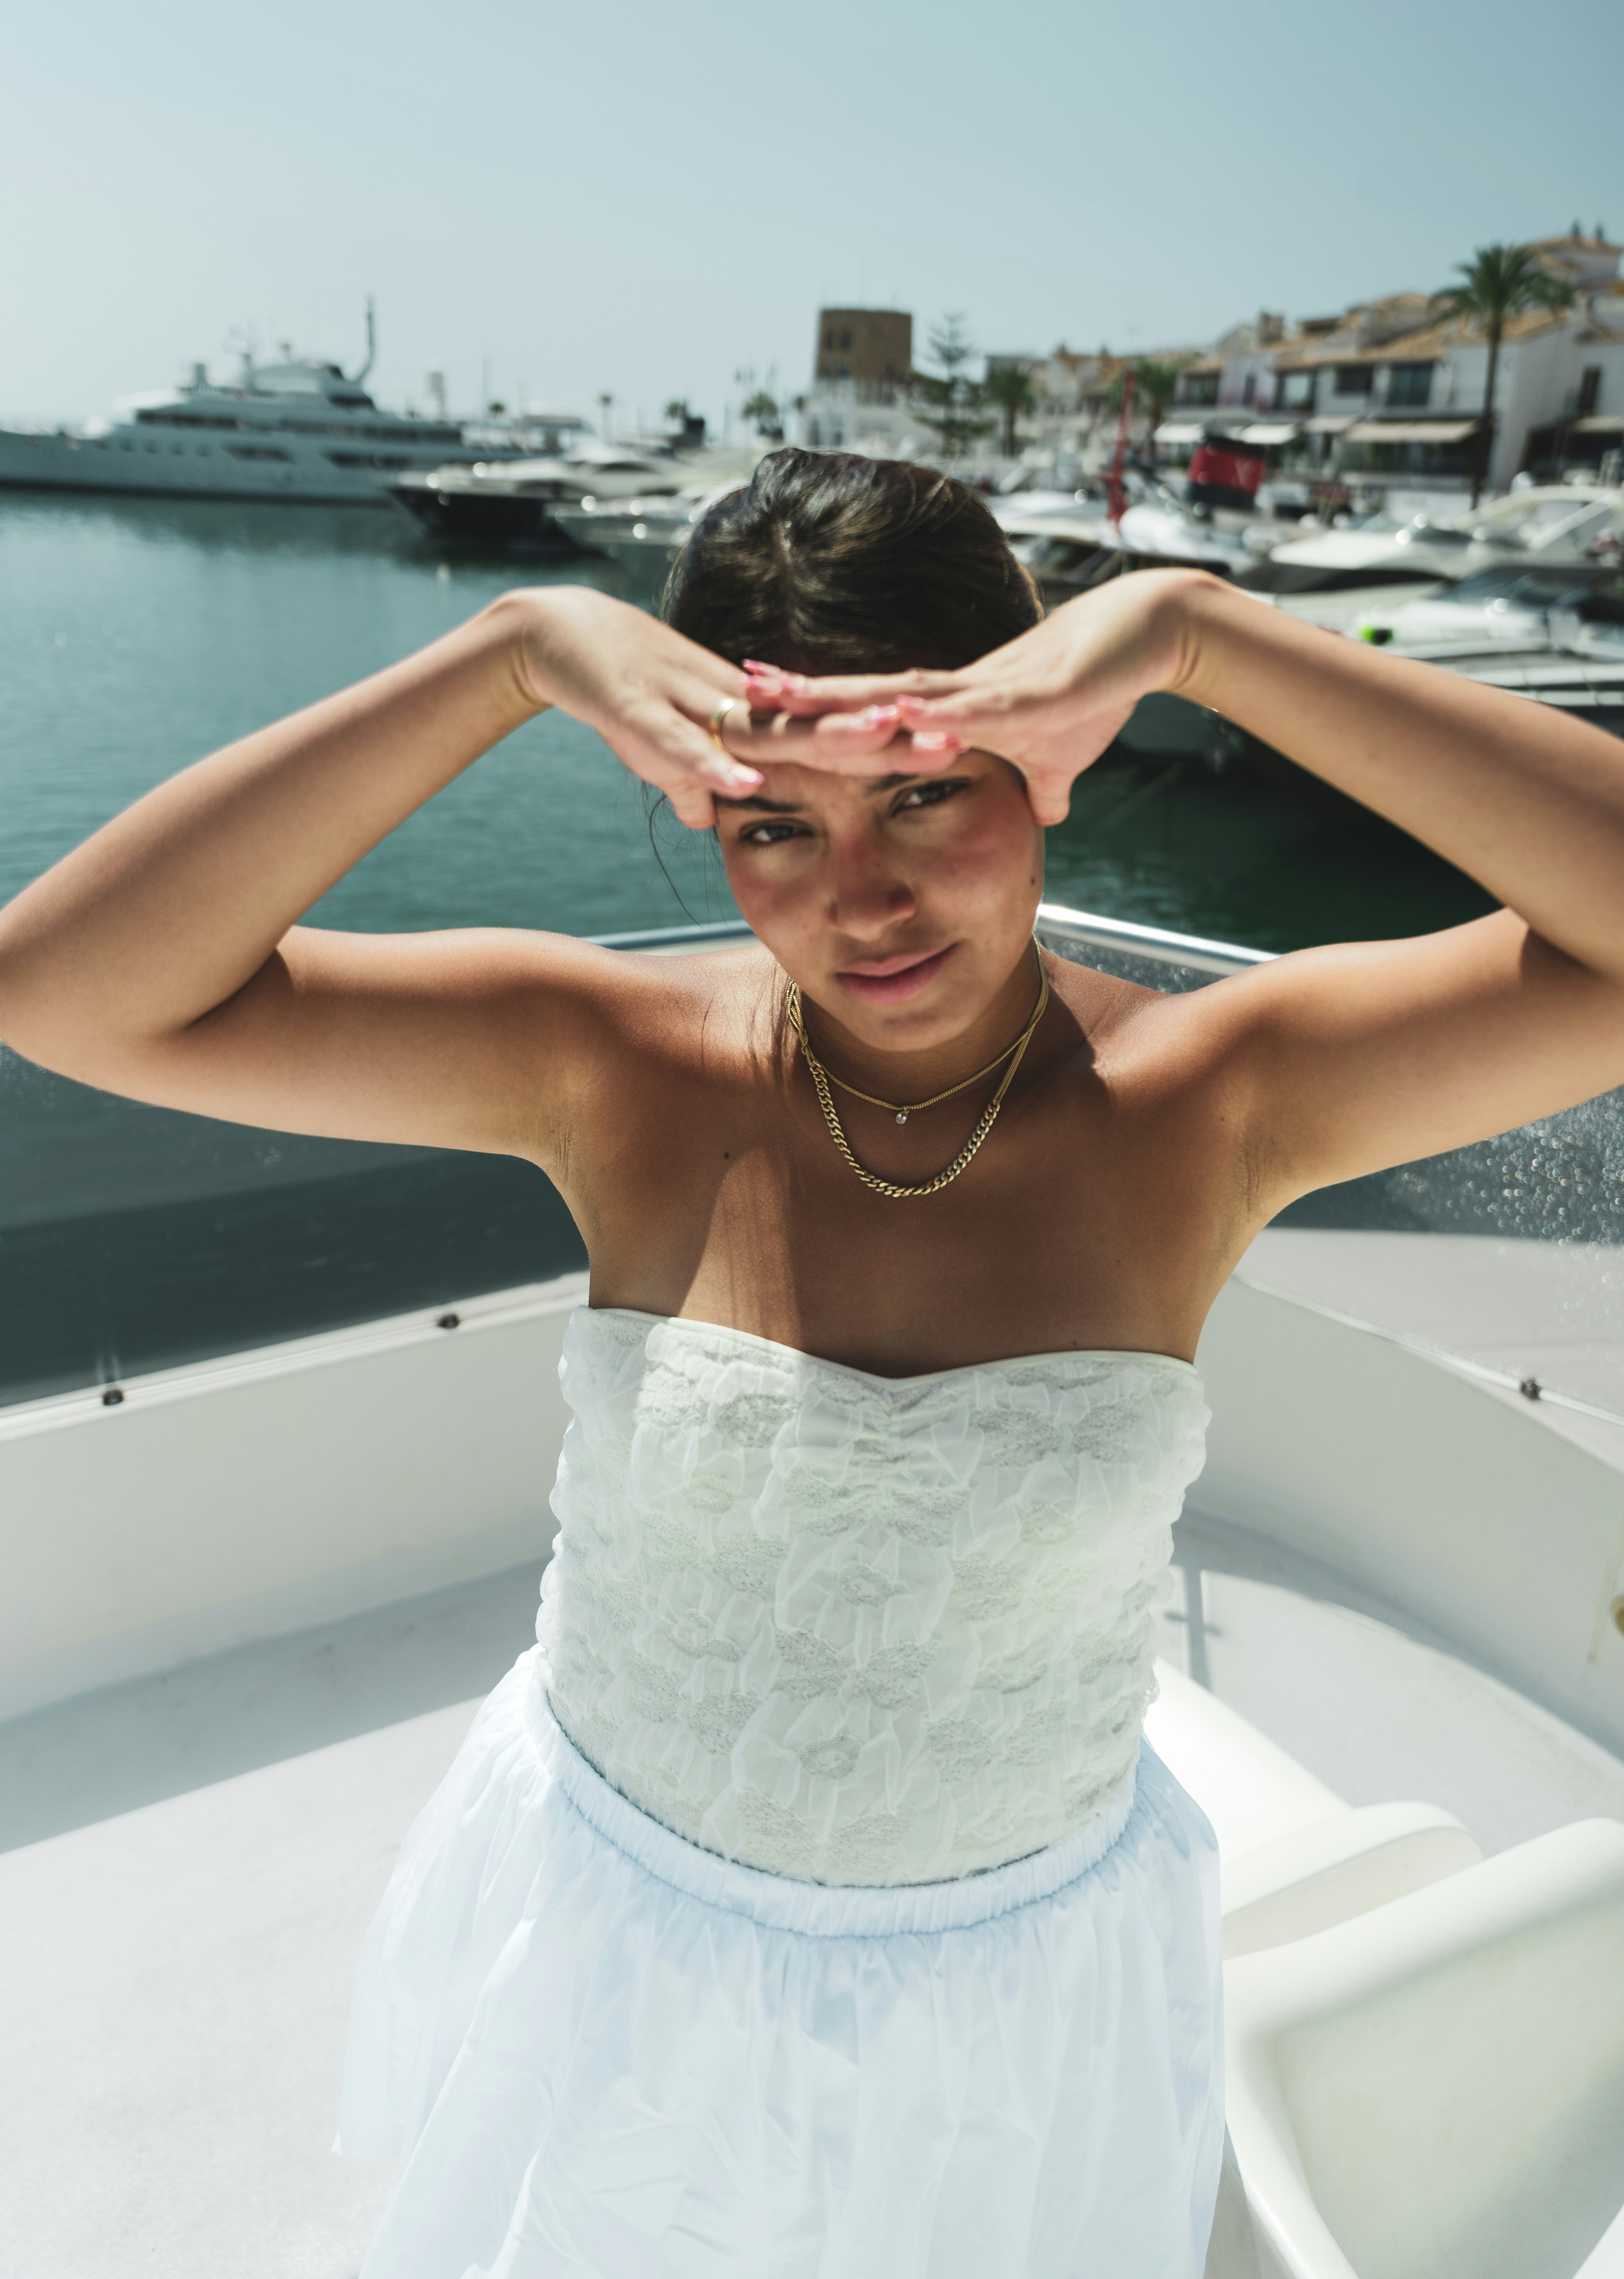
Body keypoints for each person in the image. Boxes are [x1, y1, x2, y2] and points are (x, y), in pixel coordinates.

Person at [2, 449, 1623, 2277]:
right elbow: (68, 994)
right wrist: (511, 655)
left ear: (1049, 756)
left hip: (1014, 2008)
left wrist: (1198, 632)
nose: (861, 902)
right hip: (622, 1955)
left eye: (926, 796)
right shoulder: (608, 1063)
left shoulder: (1214, 1099)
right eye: (772, 825)